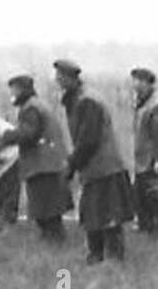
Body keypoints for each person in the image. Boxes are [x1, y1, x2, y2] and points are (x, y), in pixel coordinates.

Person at [53, 59, 136, 264]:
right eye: (57, 77)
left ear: (72, 78)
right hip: (95, 168)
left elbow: (88, 140)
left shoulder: (87, 101)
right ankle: (96, 258)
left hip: (104, 167)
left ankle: (112, 260)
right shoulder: (79, 99)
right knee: (93, 216)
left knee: (108, 217)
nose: (58, 81)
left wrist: (71, 165)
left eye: (61, 77)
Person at [0, 73, 72, 243]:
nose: (12, 94)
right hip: (52, 163)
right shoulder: (38, 105)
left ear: (23, 90)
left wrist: (8, 136)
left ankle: (54, 244)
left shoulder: (30, 109)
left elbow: (29, 134)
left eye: (15, 90)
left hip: (43, 166)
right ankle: (53, 243)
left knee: (46, 212)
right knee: (50, 212)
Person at [130, 68, 158, 237]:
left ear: (148, 83)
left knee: (157, 193)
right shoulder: (142, 101)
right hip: (142, 158)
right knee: (141, 193)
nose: (135, 84)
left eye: (139, 81)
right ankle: (146, 224)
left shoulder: (156, 105)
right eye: (134, 80)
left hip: (151, 158)